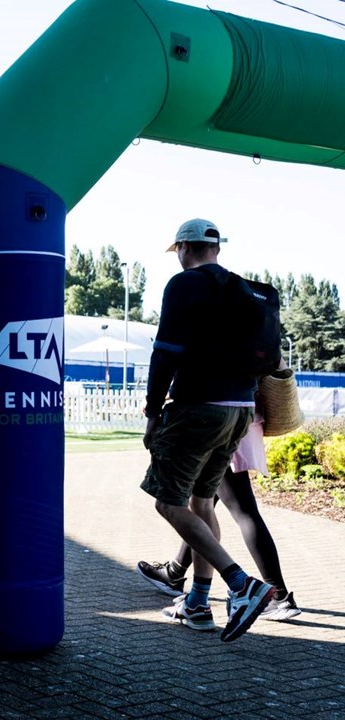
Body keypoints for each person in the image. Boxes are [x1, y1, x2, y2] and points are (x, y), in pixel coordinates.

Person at [139, 218, 275, 642]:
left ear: (183, 247)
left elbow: (165, 353)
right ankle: (197, 604)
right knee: (202, 504)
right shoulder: (240, 288)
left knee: (168, 503)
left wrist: (152, 411)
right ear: (216, 247)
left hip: (198, 409)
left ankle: (242, 584)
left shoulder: (184, 285)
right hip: (239, 411)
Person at [137, 411, 302, 622]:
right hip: (242, 418)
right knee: (203, 504)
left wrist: (155, 407)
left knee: (241, 510)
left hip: (220, 423)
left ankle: (278, 595)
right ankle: (176, 572)